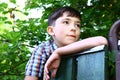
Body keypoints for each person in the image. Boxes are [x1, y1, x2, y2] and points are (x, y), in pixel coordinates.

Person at [24, 6, 108, 80]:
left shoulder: (80, 46)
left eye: (77, 25)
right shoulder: (43, 50)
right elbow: (30, 78)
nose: (73, 28)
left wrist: (58, 52)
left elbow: (102, 41)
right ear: (51, 30)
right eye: (66, 22)